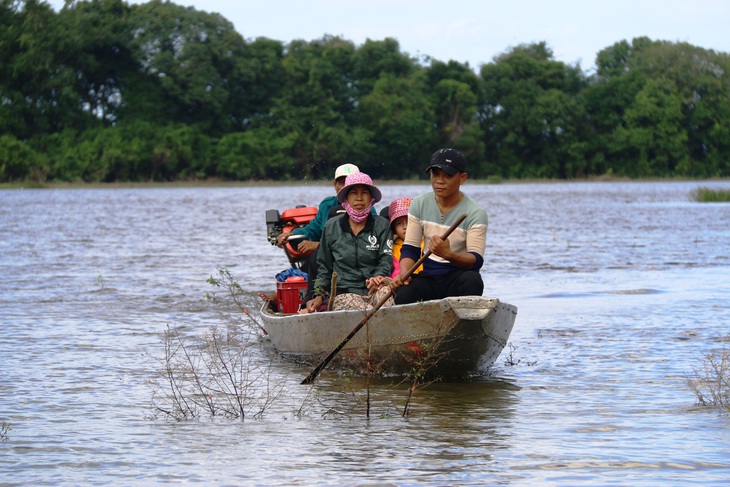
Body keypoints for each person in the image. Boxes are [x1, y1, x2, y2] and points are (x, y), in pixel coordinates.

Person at [394, 148, 487, 304]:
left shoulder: (475, 212)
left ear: (462, 178)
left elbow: (476, 260)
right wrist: (405, 273)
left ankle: (467, 325)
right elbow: (410, 248)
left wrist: (449, 254)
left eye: (448, 175)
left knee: (473, 280)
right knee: (403, 292)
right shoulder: (419, 203)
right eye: (435, 174)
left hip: (458, 278)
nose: (439, 180)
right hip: (429, 278)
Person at [305, 172, 394, 312]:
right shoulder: (331, 226)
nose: (359, 198)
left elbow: (385, 259)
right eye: (353, 193)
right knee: (362, 310)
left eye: (364, 193)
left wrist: (377, 277)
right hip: (344, 293)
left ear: (371, 198)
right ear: (346, 198)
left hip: (375, 288)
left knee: (387, 296)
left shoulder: (382, 225)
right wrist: (319, 295)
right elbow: (324, 266)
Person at [276, 163, 360, 256]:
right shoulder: (327, 205)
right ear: (335, 184)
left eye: (350, 183)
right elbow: (312, 230)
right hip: (328, 259)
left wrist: (318, 246)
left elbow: (363, 244)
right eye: (342, 182)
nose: (346, 187)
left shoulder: (365, 209)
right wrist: (290, 234)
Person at [385, 197, 422, 281]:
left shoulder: (428, 241)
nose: (405, 227)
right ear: (394, 228)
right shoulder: (393, 249)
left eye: (409, 221)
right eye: (399, 223)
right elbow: (396, 274)